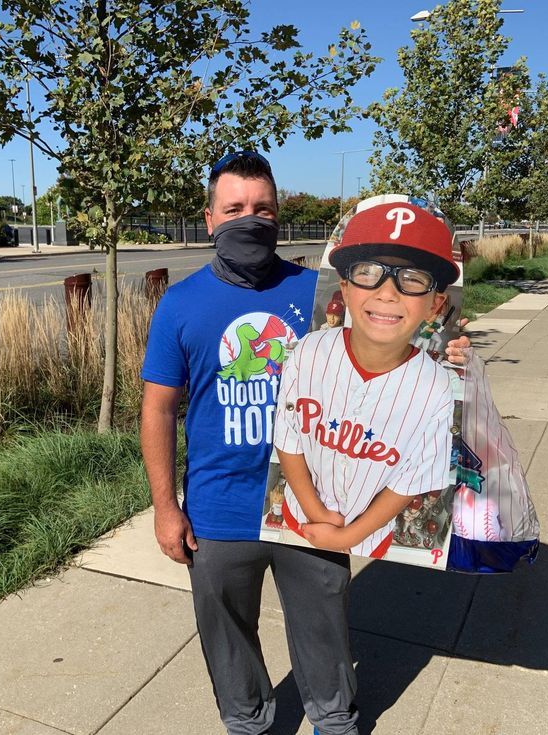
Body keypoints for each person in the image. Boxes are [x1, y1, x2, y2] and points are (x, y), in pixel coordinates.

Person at [140, 151, 471, 735]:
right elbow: (158, 408)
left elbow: (392, 346)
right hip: (217, 510)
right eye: (234, 209)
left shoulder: (322, 298)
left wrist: (443, 349)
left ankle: (334, 722)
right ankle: (247, 723)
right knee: (227, 637)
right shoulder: (181, 304)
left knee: (323, 633)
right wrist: (166, 508)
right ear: (210, 219)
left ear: (278, 215)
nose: (250, 219)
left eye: (263, 208)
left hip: (313, 504)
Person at [273, 202, 457, 560]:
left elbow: (411, 479)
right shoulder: (309, 351)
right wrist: (316, 512)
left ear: (435, 304)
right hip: (301, 518)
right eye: (368, 272)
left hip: (368, 535)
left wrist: (348, 536)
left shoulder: (435, 387)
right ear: (344, 288)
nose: (387, 292)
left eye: (413, 277)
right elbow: (289, 437)